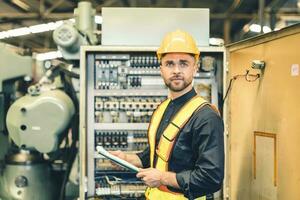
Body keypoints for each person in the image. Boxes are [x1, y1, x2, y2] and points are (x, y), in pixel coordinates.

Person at [111, 30, 224, 200]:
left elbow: (211, 178)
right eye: (170, 64)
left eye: (184, 63)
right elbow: (156, 156)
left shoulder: (206, 117)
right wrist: (126, 159)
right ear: (161, 69)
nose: (177, 70)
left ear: (195, 68)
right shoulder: (163, 109)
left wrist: (163, 177)